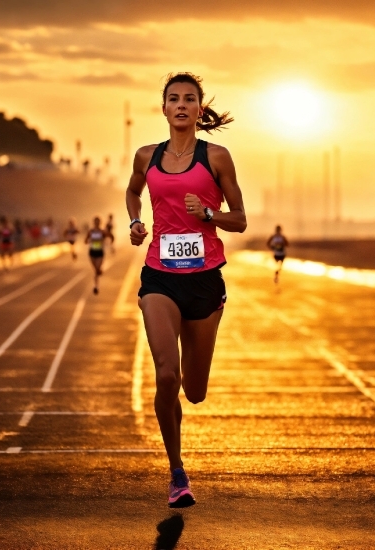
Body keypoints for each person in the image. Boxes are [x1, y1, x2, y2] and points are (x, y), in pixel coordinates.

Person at [125, 72, 246, 508]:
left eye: (188, 99)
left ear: (199, 109)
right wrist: (135, 222)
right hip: (159, 275)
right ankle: (177, 473)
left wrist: (209, 213)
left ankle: (213, 315)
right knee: (166, 374)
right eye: (172, 99)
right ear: (163, 108)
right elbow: (133, 192)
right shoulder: (146, 156)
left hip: (204, 279)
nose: (180, 105)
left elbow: (241, 220)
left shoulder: (216, 157)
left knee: (193, 391)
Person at [85, 216, 109, 294]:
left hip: (99, 252)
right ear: (93, 222)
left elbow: (110, 236)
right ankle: (99, 272)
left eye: (98, 221)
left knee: (96, 270)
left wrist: (110, 241)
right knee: (96, 270)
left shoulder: (102, 231)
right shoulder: (91, 231)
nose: (97, 223)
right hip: (92, 252)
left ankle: (96, 286)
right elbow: (85, 240)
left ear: (100, 222)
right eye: (95, 221)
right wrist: (89, 241)